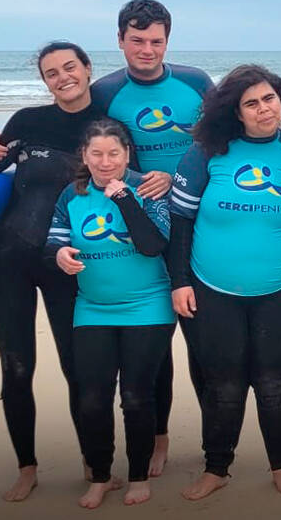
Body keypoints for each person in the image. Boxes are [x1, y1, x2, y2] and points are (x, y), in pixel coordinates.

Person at [0, 0, 213, 474]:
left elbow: (204, 141)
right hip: (59, 248)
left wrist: (172, 181)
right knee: (30, 366)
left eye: (156, 40)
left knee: (178, 347)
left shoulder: (170, 92)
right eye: (136, 39)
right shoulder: (70, 106)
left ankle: (183, 455)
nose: (146, 49)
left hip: (149, 233)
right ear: (119, 42)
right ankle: (54, 462)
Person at [167, 65, 281, 500]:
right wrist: (180, 281)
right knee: (223, 383)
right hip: (213, 289)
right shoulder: (204, 153)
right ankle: (216, 468)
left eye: (268, 99)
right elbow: (181, 221)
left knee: (276, 382)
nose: (263, 109)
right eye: (251, 103)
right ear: (236, 112)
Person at [0, 41, 107, 501]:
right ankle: (26, 467)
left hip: (68, 264)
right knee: (17, 366)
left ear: (87, 69)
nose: (63, 76)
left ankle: (92, 460)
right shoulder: (26, 122)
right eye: (51, 72)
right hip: (8, 260)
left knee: (78, 367)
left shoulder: (107, 126)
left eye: (70, 67)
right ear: (44, 81)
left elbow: (125, 188)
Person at [45, 120, 174, 509]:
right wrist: (59, 255)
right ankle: (101, 476)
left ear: (127, 155)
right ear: (84, 156)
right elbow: (56, 238)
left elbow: (153, 245)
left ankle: (137, 477)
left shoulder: (147, 186)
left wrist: (124, 199)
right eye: (96, 154)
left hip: (147, 306)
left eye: (113, 154)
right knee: (92, 399)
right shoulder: (73, 194)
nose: (105, 162)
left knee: (135, 397)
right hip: (93, 308)